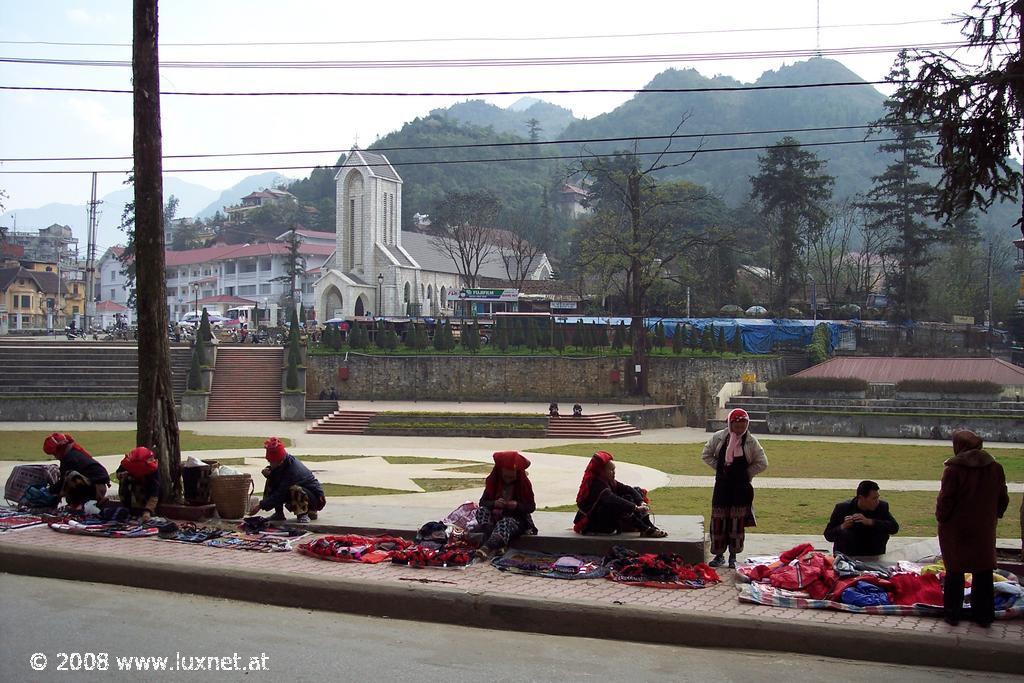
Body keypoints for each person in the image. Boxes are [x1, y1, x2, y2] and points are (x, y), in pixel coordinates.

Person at [936, 429, 1009, 626]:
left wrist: (941, 518)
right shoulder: (995, 468)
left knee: (955, 572)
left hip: (956, 529)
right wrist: (993, 516)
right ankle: (984, 616)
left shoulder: (953, 470)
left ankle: (952, 614)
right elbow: (1003, 497)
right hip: (983, 527)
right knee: (983, 571)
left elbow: (946, 500)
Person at [701, 408, 768, 568]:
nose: (739, 430)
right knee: (718, 520)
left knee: (736, 522)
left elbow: (762, 463)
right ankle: (718, 555)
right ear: (730, 424)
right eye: (737, 426)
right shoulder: (719, 438)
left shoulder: (751, 442)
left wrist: (746, 473)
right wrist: (720, 467)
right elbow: (706, 454)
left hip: (741, 488)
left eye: (743, 426)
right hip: (722, 486)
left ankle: (733, 555)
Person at [573, 451, 666, 537]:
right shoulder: (596, 484)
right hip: (592, 523)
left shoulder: (608, 481)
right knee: (618, 503)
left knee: (636, 491)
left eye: (614, 469)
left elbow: (628, 489)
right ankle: (645, 528)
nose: (614, 473)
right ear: (601, 471)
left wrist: (641, 502)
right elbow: (612, 499)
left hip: (603, 516)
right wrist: (636, 508)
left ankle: (647, 525)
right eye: (611, 470)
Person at [474, 451, 537, 560]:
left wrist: (517, 505)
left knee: (505, 522)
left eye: (511, 477)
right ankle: (499, 543)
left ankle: (486, 548)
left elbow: (531, 507)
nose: (508, 480)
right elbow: (483, 502)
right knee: (481, 511)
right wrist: (495, 503)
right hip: (495, 519)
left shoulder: (523, 484)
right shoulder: (494, 482)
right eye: (506, 476)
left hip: (516, 520)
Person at [249, 438, 326, 523]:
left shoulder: (293, 470)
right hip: (300, 493)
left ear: (279, 461)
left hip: (315, 498)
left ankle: (303, 514)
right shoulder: (283, 463)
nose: (270, 464)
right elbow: (279, 477)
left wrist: (260, 505)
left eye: (272, 462)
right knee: (271, 478)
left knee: (294, 489)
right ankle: (279, 514)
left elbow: (281, 492)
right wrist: (270, 473)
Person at [823, 480, 900, 558]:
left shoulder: (882, 507)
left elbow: (894, 528)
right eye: (874, 499)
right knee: (845, 533)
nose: (877, 502)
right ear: (861, 498)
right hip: (848, 556)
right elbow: (828, 535)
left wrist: (871, 522)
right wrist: (843, 526)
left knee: (880, 530)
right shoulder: (843, 509)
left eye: (878, 497)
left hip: (874, 555)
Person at [43, 432, 110, 509]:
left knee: (71, 476)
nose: (55, 456)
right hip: (93, 485)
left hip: (96, 488)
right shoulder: (71, 454)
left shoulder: (70, 458)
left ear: (59, 449)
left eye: (54, 454)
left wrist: (48, 491)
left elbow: (63, 482)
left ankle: (86, 503)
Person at [116, 446, 161, 521]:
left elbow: (155, 492)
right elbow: (118, 473)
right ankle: (127, 508)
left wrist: (148, 510)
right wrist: (122, 475)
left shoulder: (153, 470)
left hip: (147, 491)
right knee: (125, 480)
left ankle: (143, 509)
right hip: (133, 489)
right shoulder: (127, 463)